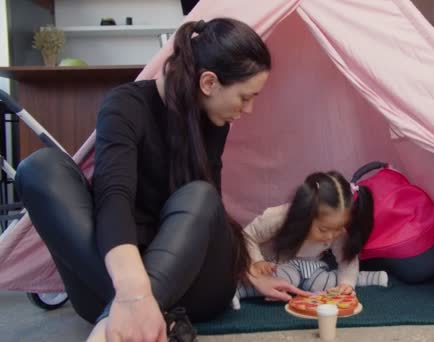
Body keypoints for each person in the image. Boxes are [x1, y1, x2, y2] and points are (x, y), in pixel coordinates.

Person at [15, 18, 307, 342]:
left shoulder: (215, 123)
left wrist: (248, 272)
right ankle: (134, 310)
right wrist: (132, 293)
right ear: (208, 82)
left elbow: (207, 219)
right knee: (39, 168)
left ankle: (112, 322)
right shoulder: (125, 105)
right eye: (244, 97)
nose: (248, 109)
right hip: (116, 281)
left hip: (195, 284)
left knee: (200, 195)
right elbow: (113, 200)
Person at [233, 171, 388, 308]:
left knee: (322, 283)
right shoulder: (279, 218)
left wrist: (346, 284)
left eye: (339, 228)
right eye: (323, 229)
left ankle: (362, 277)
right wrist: (257, 261)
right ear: (305, 215)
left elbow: (346, 259)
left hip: (311, 268)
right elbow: (246, 237)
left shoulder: (336, 231)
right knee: (288, 280)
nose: (330, 236)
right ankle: (237, 290)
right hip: (276, 266)